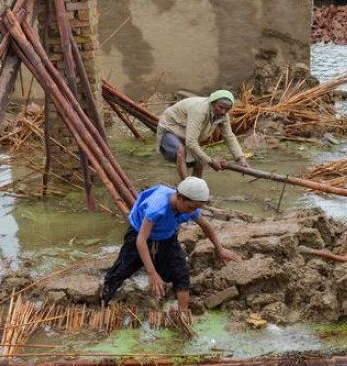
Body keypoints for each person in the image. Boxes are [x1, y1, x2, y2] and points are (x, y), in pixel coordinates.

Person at [101, 177, 239, 312]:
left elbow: (205, 225)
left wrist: (219, 248)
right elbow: (141, 240)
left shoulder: (190, 207)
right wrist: (151, 273)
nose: (192, 212)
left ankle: (183, 314)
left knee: (181, 272)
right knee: (120, 272)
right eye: (190, 207)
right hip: (139, 234)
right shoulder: (157, 207)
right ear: (179, 197)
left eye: (196, 208)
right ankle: (102, 303)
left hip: (167, 237)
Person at [156, 89, 249, 179]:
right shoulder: (199, 111)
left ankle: (197, 187)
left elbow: (229, 136)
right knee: (181, 151)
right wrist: (210, 162)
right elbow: (191, 142)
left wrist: (240, 158)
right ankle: (185, 186)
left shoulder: (223, 116)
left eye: (227, 109)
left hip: (186, 132)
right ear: (212, 103)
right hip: (170, 127)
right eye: (220, 107)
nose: (223, 112)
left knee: (199, 161)